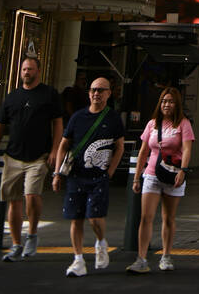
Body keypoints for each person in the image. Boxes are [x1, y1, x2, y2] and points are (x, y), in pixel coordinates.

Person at [0, 55, 63, 262]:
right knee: (13, 201)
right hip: (13, 156)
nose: (27, 73)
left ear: (38, 71)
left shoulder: (49, 94)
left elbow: (58, 123)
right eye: (24, 70)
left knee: (31, 194)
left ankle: (31, 234)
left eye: (30, 69)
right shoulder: (12, 97)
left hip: (38, 157)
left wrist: (56, 149)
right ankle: (15, 244)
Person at [52, 75, 125, 277]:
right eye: (93, 90)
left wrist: (110, 171)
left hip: (98, 177)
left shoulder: (113, 118)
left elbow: (119, 146)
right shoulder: (78, 117)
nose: (96, 93)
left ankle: (101, 243)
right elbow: (64, 145)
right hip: (76, 175)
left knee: (94, 218)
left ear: (109, 94)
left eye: (101, 90)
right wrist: (57, 173)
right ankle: (78, 260)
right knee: (75, 218)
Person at [127, 87, 195, 273]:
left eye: (171, 101)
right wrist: (136, 177)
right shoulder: (152, 124)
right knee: (146, 217)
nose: (167, 105)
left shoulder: (183, 124)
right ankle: (141, 258)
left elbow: (187, 149)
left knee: (168, 218)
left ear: (177, 104)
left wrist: (183, 171)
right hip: (151, 173)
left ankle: (166, 255)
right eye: (164, 101)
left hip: (173, 175)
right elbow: (143, 152)